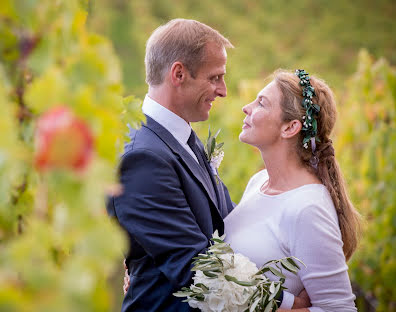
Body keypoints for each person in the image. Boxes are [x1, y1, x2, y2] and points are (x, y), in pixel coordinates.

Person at [106, 18, 236, 311]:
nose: (223, 90)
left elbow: (227, 227)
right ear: (179, 74)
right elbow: (195, 270)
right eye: (215, 77)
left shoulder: (181, 139)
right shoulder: (142, 158)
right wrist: (287, 302)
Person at [224, 69, 361, 311]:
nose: (247, 107)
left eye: (261, 103)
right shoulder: (259, 182)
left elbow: (339, 308)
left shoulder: (308, 207)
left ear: (290, 128)